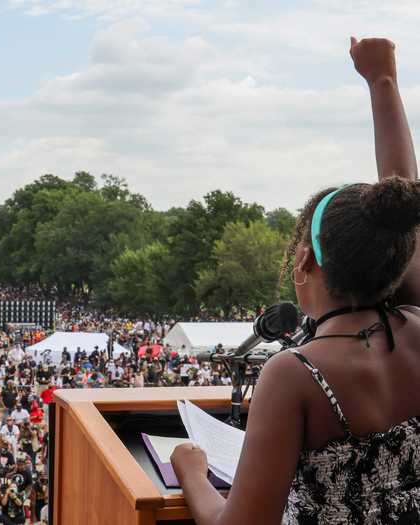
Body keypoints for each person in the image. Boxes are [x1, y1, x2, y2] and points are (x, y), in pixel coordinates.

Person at [170, 37, 420, 524]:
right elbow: (405, 198)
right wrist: (382, 81)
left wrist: (191, 470)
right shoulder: (416, 326)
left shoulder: (295, 375)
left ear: (304, 262)